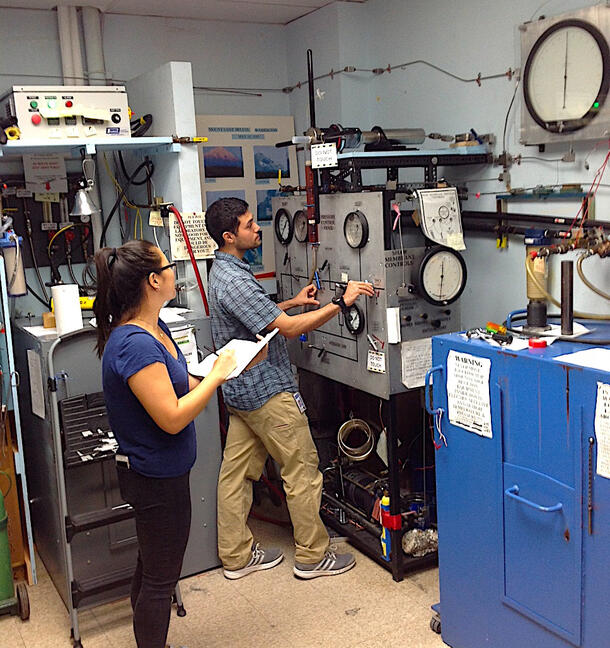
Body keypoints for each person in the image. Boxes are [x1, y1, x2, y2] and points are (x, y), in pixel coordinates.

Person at [205, 197, 375, 580]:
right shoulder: (236, 280)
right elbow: (291, 329)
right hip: (268, 392)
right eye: (249, 226)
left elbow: (255, 317)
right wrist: (340, 303)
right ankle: (313, 557)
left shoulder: (224, 270)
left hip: (240, 392)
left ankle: (235, 557)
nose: (258, 228)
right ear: (230, 236)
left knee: (236, 475)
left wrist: (292, 302)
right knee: (302, 470)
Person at [93, 239, 237, 648]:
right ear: (154, 280)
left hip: (167, 473)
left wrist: (229, 364)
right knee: (161, 581)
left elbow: (180, 382)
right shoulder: (134, 344)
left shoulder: (157, 327)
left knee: (151, 567)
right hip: (154, 479)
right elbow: (172, 417)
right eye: (169, 266)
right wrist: (215, 379)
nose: (175, 271)